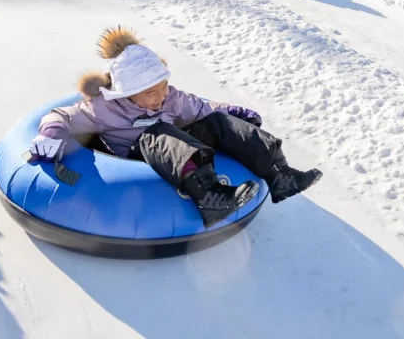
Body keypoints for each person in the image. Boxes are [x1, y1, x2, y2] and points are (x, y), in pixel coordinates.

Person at [31, 27, 323, 228]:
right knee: (156, 132)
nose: (161, 97)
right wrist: (51, 134)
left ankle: (279, 174)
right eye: (151, 93)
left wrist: (232, 112)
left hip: (180, 148)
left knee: (217, 122)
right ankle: (211, 198)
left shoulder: (170, 98)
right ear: (127, 93)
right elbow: (61, 116)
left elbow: (203, 110)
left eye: (164, 87)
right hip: (140, 155)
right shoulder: (102, 109)